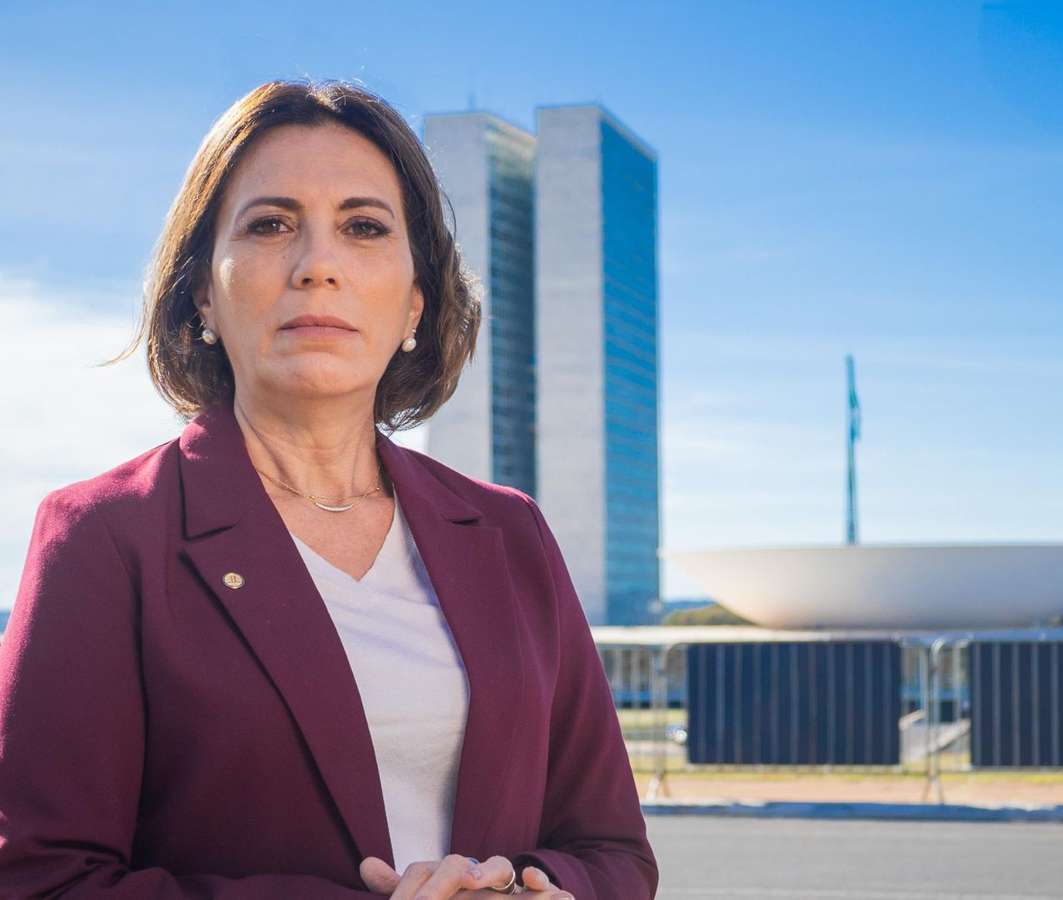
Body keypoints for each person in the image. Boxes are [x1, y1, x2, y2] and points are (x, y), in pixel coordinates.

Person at [0, 79, 658, 900]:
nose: (318, 267)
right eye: (271, 225)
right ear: (204, 291)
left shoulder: (509, 529)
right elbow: (42, 880)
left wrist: (539, 889)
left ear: (415, 302)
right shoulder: (103, 536)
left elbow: (610, 850)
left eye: (364, 227)